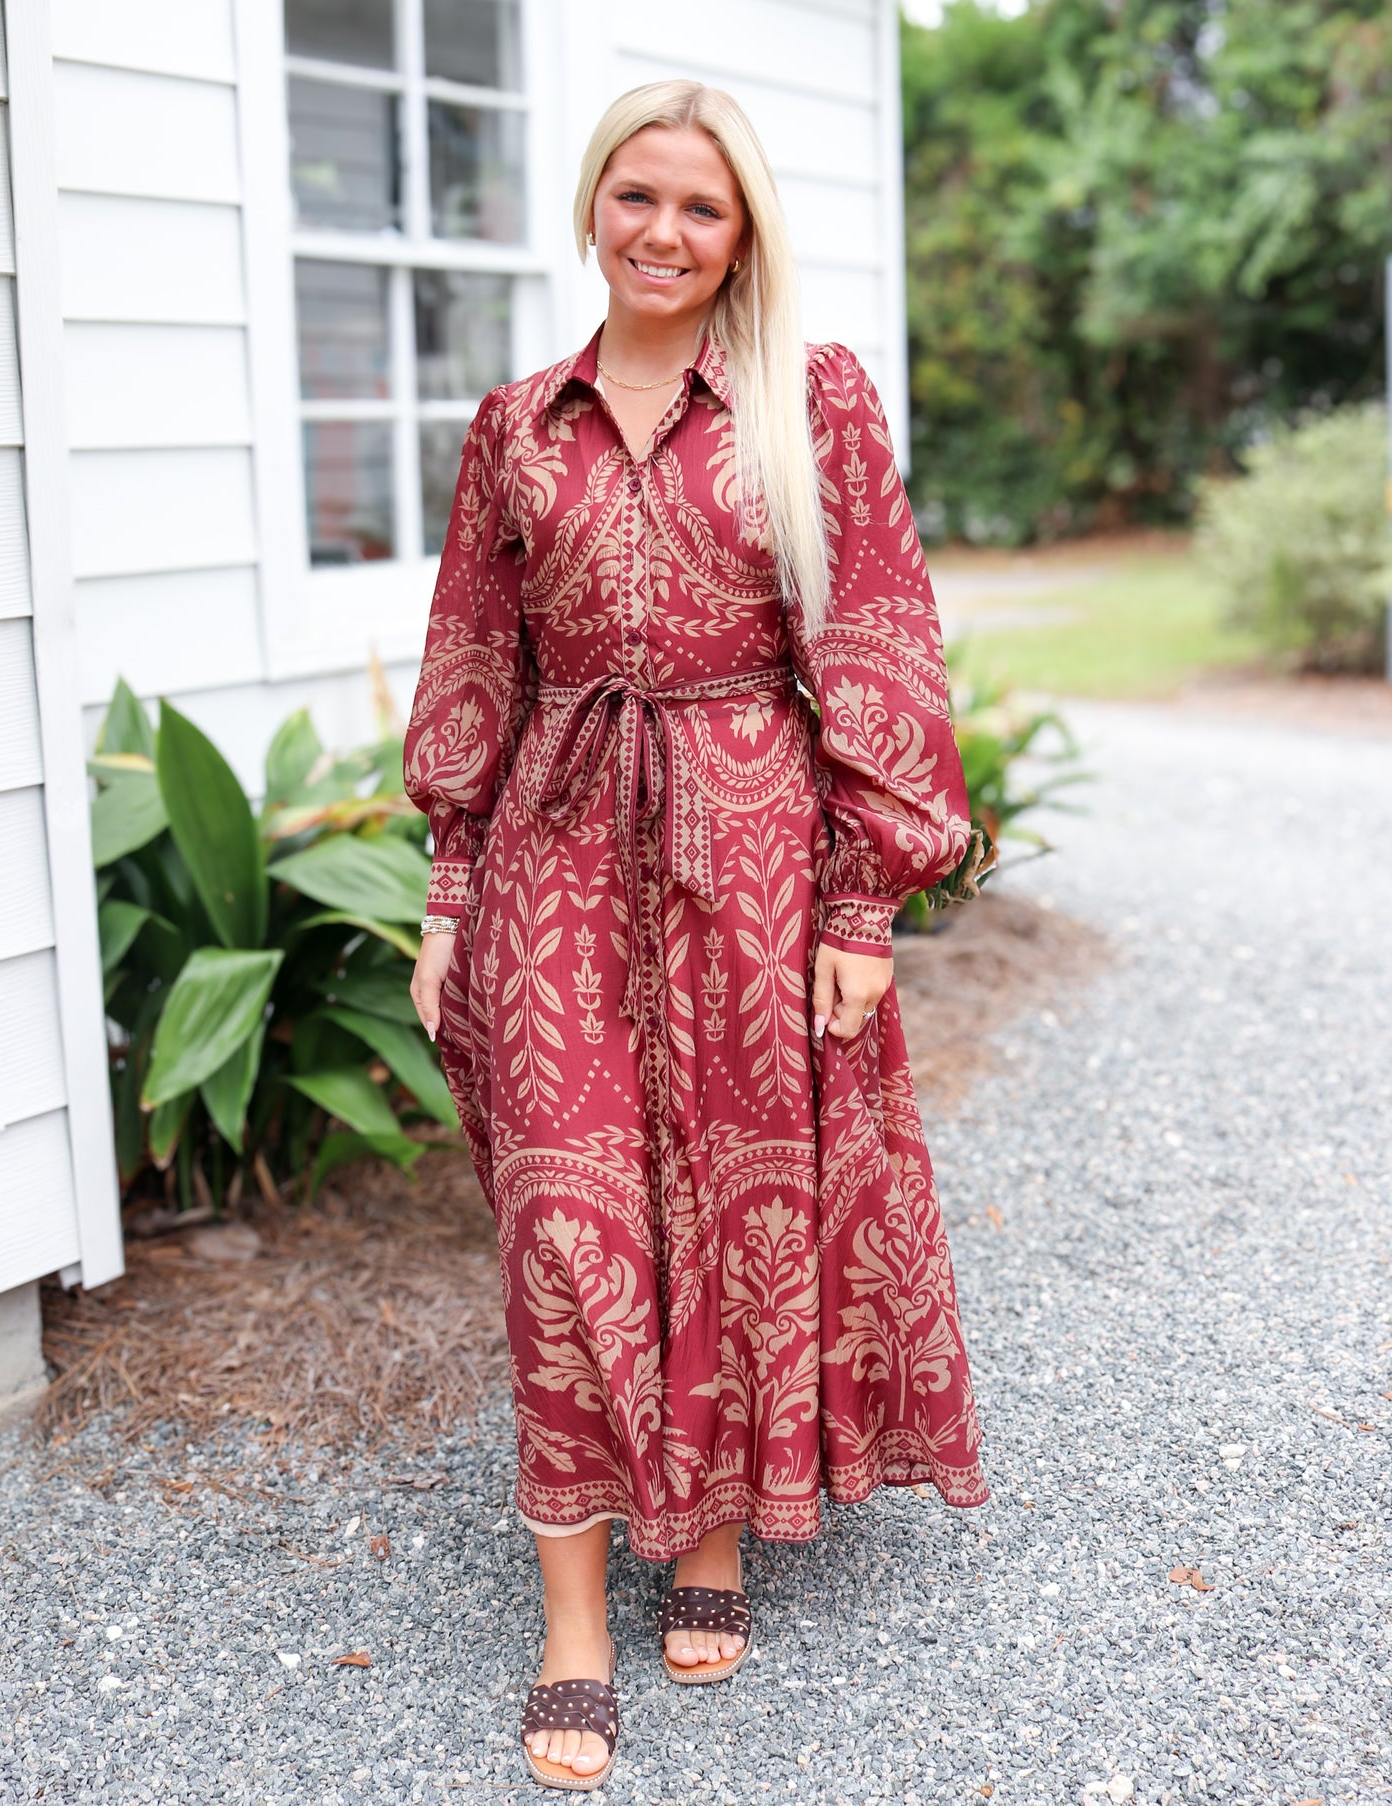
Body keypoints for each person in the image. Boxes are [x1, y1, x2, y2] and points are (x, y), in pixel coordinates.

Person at [404, 77, 989, 1793]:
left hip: (752, 849)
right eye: (636, 198)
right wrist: (449, 889)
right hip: (555, 854)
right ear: (592, 205)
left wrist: (868, 897)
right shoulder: (516, 425)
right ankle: (573, 1618)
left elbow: (877, 641)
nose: (664, 233)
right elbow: (471, 660)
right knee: (565, 1211)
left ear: (743, 234)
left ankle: (714, 1526)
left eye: (702, 208)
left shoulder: (809, 404)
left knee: (737, 1192)